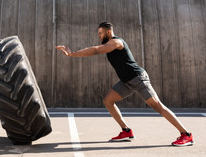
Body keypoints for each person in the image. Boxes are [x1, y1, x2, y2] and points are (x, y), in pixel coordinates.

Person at [55, 22, 194, 147]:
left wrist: (72, 54)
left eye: (100, 33)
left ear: (108, 32)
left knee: (158, 106)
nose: (99, 36)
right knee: (108, 101)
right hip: (126, 82)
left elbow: (97, 49)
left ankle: (186, 135)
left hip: (138, 79)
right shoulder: (110, 44)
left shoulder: (116, 42)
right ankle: (126, 131)